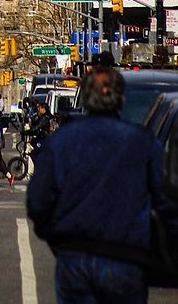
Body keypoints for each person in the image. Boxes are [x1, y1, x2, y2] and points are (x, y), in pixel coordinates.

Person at [27, 66, 178, 304]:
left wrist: (56, 238)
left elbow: (38, 201)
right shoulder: (143, 142)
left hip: (75, 256)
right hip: (126, 257)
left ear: (85, 99)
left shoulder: (62, 141)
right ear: (121, 99)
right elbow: (166, 200)